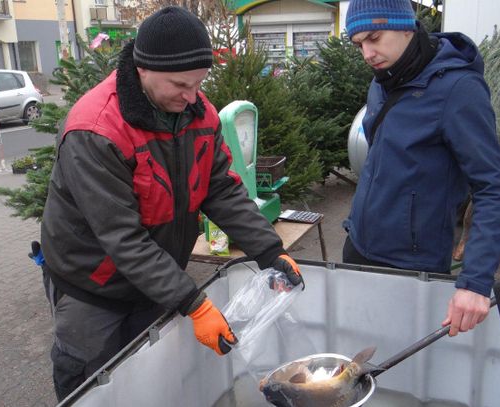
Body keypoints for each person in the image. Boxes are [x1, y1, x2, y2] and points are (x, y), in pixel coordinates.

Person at [39, 6, 303, 401]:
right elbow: (122, 237)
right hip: (91, 288)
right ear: (143, 69)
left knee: (148, 384)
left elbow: (221, 189)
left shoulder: (198, 113)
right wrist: (192, 303)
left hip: (153, 283)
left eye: (199, 83)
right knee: (91, 387)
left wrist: (269, 249)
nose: (193, 96)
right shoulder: (95, 131)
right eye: (181, 84)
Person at [343, 0, 500, 337]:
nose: (367, 53)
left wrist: (476, 281)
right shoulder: (381, 81)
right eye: (359, 43)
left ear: (406, 26)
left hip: (410, 264)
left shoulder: (458, 90)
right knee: (356, 349)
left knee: (400, 367)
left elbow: (492, 188)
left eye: (374, 37)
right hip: (357, 244)